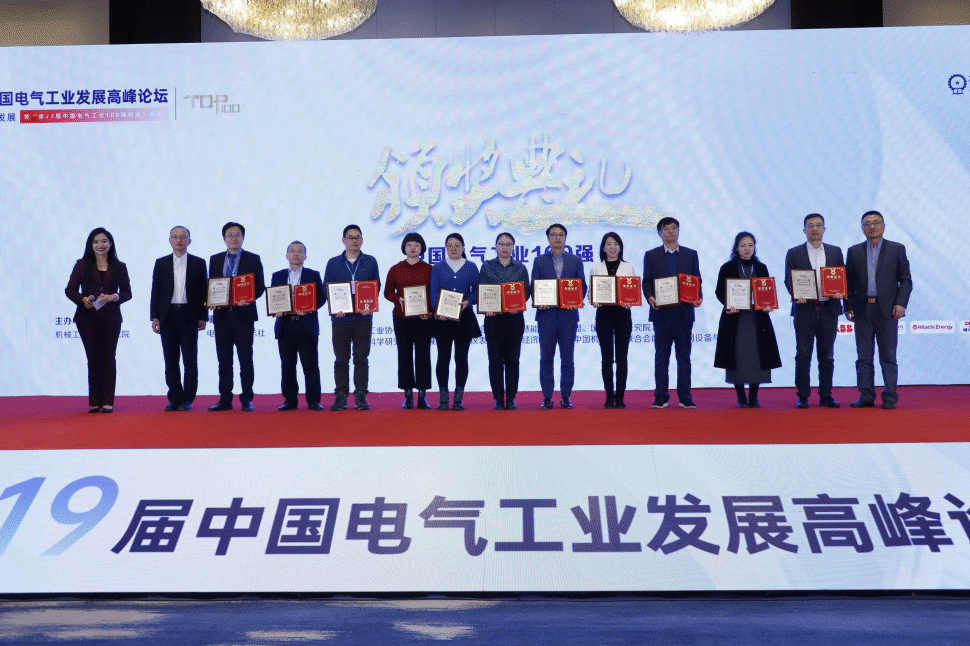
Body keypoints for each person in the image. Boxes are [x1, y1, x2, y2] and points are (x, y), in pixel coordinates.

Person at [845, 210, 912, 409]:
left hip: (888, 310)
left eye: (876, 222)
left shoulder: (896, 249)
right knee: (863, 356)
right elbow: (848, 282)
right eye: (867, 223)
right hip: (862, 310)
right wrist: (848, 305)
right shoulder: (854, 251)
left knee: (888, 356)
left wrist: (901, 303)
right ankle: (866, 395)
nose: (872, 226)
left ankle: (890, 396)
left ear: (883, 226)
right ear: (862, 228)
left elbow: (906, 280)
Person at [65, 227, 132, 413]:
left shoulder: (120, 266)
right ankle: (95, 401)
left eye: (103, 241)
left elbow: (127, 293)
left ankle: (108, 401)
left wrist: (114, 297)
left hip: (111, 318)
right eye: (95, 242)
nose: (100, 245)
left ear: (110, 244)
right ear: (90, 245)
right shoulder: (81, 265)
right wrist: (82, 299)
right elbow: (69, 290)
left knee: (109, 357)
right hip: (87, 318)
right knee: (93, 358)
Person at [714, 232, 782, 408]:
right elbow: (719, 291)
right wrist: (728, 304)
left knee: (756, 357)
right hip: (735, 319)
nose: (747, 249)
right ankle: (741, 397)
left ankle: (753, 397)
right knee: (737, 357)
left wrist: (768, 305)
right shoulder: (727, 267)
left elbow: (767, 291)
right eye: (743, 245)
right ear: (736, 248)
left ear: (754, 247)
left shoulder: (761, 267)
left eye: (750, 245)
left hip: (757, 319)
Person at [784, 214, 845, 409]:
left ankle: (826, 395)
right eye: (810, 226)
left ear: (824, 229)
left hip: (829, 310)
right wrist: (797, 294)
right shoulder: (794, 253)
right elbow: (788, 279)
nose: (815, 229)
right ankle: (802, 395)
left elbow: (842, 277)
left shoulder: (835, 251)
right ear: (804, 230)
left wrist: (840, 292)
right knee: (803, 354)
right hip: (805, 310)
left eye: (819, 225)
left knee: (827, 355)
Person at [642, 217, 702, 408]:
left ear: (678, 230)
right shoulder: (651, 255)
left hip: (684, 313)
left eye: (674, 228)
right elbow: (647, 281)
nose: (670, 231)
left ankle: (685, 396)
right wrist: (650, 297)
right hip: (662, 314)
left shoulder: (691, 255)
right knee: (661, 357)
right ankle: (660, 396)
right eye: (666, 228)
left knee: (684, 357)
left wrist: (698, 296)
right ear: (659, 233)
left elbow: (697, 280)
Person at [208, 222, 265, 412]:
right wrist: (211, 300)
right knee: (224, 360)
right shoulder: (215, 259)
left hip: (244, 315)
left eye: (237, 235)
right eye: (230, 235)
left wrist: (248, 298)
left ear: (243, 238)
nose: (234, 238)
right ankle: (225, 399)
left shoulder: (253, 259)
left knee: (245, 359)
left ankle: (247, 398)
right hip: (222, 316)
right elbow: (211, 285)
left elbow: (259, 286)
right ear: (224, 238)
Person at [323, 224, 381, 411]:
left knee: (361, 359)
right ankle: (341, 396)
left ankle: (361, 396)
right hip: (340, 318)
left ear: (362, 240)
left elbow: (376, 286)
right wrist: (335, 307)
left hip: (363, 318)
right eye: (350, 237)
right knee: (341, 359)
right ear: (343, 240)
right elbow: (327, 288)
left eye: (357, 237)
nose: (354, 241)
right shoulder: (333, 263)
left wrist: (369, 305)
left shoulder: (370, 261)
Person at [150, 226, 208, 411]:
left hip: (189, 315)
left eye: (183, 237)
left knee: (190, 359)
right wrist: (154, 316)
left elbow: (204, 291)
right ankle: (174, 397)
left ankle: (188, 398)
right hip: (167, 315)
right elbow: (156, 290)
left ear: (189, 241)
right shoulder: (161, 263)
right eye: (175, 237)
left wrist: (203, 316)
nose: (179, 240)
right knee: (170, 359)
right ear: (170, 241)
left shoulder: (199, 263)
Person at [531, 223, 587, 409]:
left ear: (565, 238)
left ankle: (565, 396)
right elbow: (534, 285)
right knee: (546, 357)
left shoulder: (575, 260)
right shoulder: (539, 261)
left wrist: (575, 300)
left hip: (568, 316)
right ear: (548, 238)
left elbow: (582, 286)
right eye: (553, 234)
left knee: (567, 358)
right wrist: (538, 301)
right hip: (546, 315)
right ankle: (547, 396)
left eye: (561, 234)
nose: (557, 238)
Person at [271, 241, 325, 411]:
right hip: (285, 325)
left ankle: (314, 400)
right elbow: (273, 299)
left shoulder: (313, 275)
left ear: (305, 256)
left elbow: (321, 298)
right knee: (287, 365)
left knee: (310, 365)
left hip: (306, 325)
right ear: (287, 256)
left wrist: (309, 308)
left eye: (300, 251)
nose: (296, 254)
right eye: (292, 251)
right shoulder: (278, 275)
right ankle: (289, 400)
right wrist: (276, 311)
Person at [430, 233, 481, 411]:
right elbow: (433, 292)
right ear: (445, 248)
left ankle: (458, 398)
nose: (453, 248)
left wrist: (469, 301)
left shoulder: (471, 266)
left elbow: (478, 291)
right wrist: (438, 310)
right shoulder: (438, 267)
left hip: (464, 317)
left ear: (463, 247)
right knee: (443, 357)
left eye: (457, 245)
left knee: (461, 357)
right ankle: (443, 397)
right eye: (450, 245)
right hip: (442, 319)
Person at [479, 232, 530, 410]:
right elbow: (482, 290)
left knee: (513, 359)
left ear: (513, 247)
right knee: (495, 359)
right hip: (493, 319)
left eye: (508, 244)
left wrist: (519, 303)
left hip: (514, 319)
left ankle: (511, 398)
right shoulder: (487, 266)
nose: (505, 247)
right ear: (496, 246)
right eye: (501, 244)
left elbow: (526, 292)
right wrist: (486, 306)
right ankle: (498, 398)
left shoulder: (520, 268)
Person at [384, 232, 433, 410]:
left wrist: (429, 311)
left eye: (417, 245)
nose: (413, 248)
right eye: (409, 244)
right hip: (401, 318)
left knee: (423, 355)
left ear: (422, 248)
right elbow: (387, 292)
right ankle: (408, 395)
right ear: (404, 247)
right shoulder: (395, 269)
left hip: (423, 319)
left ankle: (422, 395)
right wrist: (398, 298)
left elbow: (434, 293)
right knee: (404, 355)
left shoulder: (429, 269)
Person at [589, 232, 637, 409]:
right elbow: (590, 293)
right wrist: (593, 300)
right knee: (607, 357)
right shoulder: (596, 268)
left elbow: (633, 290)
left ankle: (621, 397)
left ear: (620, 247)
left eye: (616, 243)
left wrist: (630, 301)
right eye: (608, 244)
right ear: (603, 248)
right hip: (604, 315)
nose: (612, 247)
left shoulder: (628, 267)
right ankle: (609, 396)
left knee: (622, 357)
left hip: (623, 315)